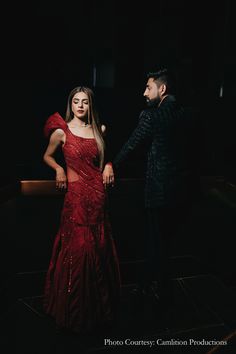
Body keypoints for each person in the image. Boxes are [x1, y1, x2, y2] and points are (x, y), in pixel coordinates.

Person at [105, 68, 198, 307]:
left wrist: (110, 164)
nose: (144, 92)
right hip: (182, 192)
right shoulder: (187, 115)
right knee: (164, 242)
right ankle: (150, 287)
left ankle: (158, 291)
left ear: (162, 89)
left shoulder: (151, 116)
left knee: (156, 242)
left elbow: (132, 145)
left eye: (148, 87)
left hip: (158, 192)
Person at [42, 86, 120, 335]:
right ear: (71, 104)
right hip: (75, 198)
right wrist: (58, 169)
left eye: (84, 102)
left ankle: (99, 312)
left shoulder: (100, 130)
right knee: (79, 249)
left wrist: (108, 164)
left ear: (90, 106)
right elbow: (47, 156)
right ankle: (73, 311)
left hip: (97, 196)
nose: (80, 106)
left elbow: (105, 157)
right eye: (76, 101)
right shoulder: (61, 131)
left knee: (97, 248)